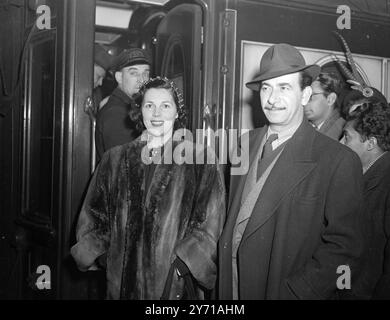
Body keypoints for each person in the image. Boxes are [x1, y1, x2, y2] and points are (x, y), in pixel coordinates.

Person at [218, 43, 365, 300]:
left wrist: (298, 291)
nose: (272, 99)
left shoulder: (338, 160)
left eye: (284, 87)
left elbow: (345, 248)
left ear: (305, 94)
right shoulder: (244, 144)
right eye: (266, 88)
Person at [71, 77, 226, 299]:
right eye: (149, 105)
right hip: (122, 286)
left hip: (174, 288)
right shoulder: (113, 159)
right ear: (139, 111)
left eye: (165, 106)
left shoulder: (200, 159)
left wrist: (183, 265)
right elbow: (93, 215)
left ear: (176, 112)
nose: (156, 113)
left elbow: (211, 222)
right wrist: (105, 256)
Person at [341, 101, 390, 299]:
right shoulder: (361, 175)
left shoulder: (386, 181)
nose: (341, 143)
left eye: (347, 137)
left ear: (370, 143)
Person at [95, 48, 151, 161]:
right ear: (119, 77)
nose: (142, 80)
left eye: (146, 73)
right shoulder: (116, 113)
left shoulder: (130, 107)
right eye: (134, 73)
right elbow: (127, 166)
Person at [304, 72, 345, 140]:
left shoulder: (341, 133)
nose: (304, 103)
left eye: (310, 96)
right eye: (303, 97)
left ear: (330, 99)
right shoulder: (305, 126)